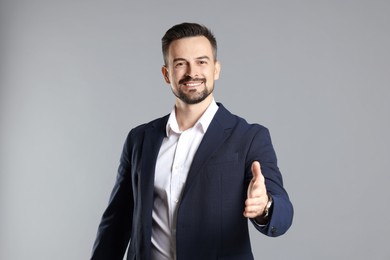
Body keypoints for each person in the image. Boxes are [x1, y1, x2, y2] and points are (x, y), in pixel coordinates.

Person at [91, 22, 293, 260]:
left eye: (201, 61)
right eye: (180, 63)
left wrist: (264, 206)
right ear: (167, 74)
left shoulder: (249, 137)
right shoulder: (139, 139)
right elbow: (116, 222)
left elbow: (283, 213)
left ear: (216, 69)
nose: (191, 72)